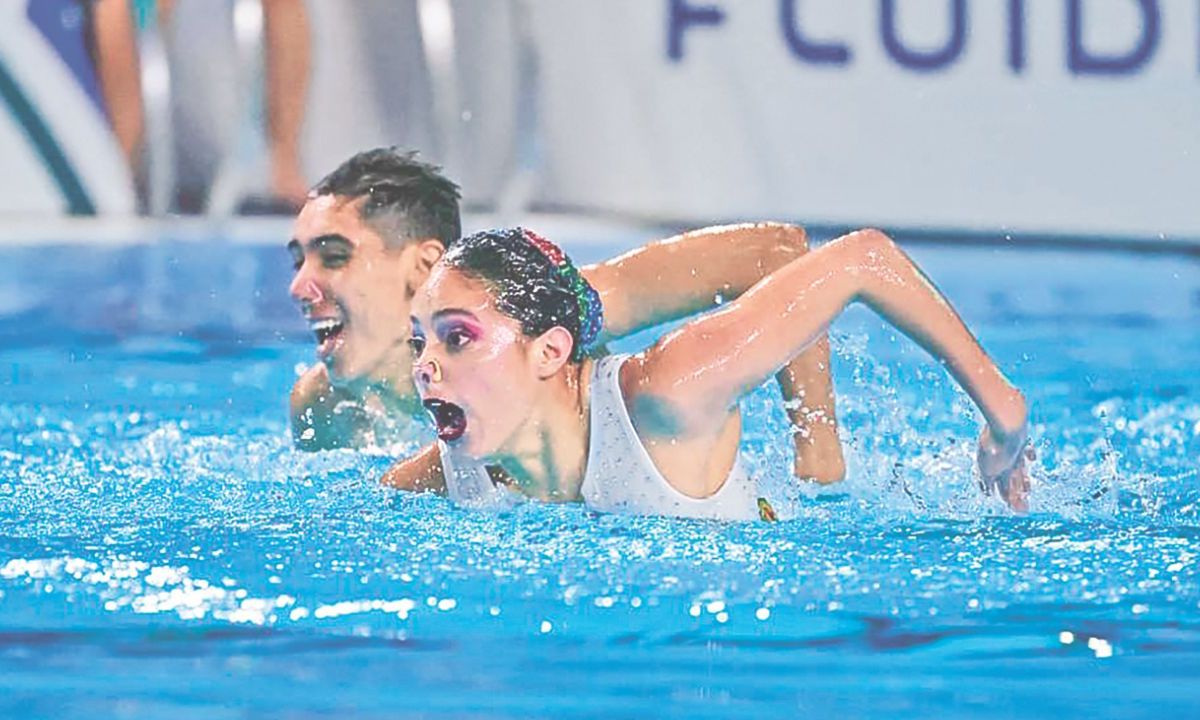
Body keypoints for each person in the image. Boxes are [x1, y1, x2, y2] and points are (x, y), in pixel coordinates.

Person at [382, 227, 1030, 517]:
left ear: (549, 352)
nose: (426, 367)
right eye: (419, 344)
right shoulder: (457, 460)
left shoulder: (666, 393)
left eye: (457, 338)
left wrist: (1002, 415)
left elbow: (861, 258)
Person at [287, 148, 845, 483]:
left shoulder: (551, 308)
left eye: (334, 256)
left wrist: (817, 456)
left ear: (424, 265)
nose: (300, 286)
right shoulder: (326, 407)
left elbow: (778, 252)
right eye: (299, 259)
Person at [88, 0, 311, 209]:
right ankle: (120, 177)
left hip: (237, 174)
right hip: (150, 171)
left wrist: (284, 159)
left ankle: (280, 162)